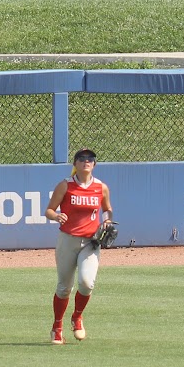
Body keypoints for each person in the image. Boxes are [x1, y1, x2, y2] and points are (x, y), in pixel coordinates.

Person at [44, 147, 114, 345]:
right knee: (64, 287)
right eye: (81, 158)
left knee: (86, 282)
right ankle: (57, 327)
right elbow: (49, 210)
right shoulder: (65, 185)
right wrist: (56, 216)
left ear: (95, 164)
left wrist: (107, 221)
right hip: (68, 239)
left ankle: (77, 317)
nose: (86, 161)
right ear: (75, 164)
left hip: (91, 242)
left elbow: (107, 210)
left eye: (90, 158)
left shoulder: (101, 187)